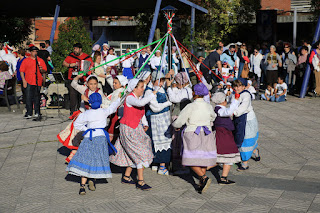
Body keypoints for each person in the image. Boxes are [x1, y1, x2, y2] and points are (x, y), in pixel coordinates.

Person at [66, 92, 121, 195]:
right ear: (100, 102)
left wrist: (86, 129)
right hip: (100, 138)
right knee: (96, 159)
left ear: (90, 103)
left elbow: (76, 124)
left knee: (86, 160)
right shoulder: (103, 111)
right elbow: (113, 108)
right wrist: (118, 99)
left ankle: (82, 186)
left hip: (89, 138)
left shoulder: (86, 113)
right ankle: (93, 179)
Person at [109, 79, 158, 190]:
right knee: (139, 153)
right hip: (128, 129)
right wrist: (152, 94)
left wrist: (145, 124)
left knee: (131, 153)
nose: (143, 89)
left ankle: (126, 176)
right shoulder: (130, 98)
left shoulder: (138, 98)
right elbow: (141, 104)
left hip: (136, 128)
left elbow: (142, 112)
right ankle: (140, 181)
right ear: (134, 88)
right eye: (141, 87)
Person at [172, 83, 217, 194]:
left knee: (190, 158)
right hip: (206, 133)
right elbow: (213, 116)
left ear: (195, 93)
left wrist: (175, 125)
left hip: (193, 133)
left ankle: (203, 177)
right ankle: (202, 181)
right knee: (203, 158)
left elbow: (180, 121)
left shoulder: (190, 106)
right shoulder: (208, 105)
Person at [145, 71, 172, 175]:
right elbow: (155, 107)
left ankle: (157, 164)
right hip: (156, 118)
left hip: (164, 118)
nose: (161, 83)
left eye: (162, 81)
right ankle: (161, 166)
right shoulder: (149, 91)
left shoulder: (160, 88)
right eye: (159, 80)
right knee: (159, 141)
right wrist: (168, 103)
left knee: (164, 140)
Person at [211, 92, 241, 184]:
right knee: (225, 155)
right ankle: (201, 171)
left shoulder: (218, 109)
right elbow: (228, 111)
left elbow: (229, 110)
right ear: (223, 101)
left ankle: (224, 177)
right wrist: (236, 100)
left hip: (226, 134)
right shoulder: (219, 110)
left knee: (228, 155)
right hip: (223, 135)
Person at [232, 79, 260, 171]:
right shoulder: (233, 94)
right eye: (235, 86)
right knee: (241, 137)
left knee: (246, 139)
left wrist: (233, 112)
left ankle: (245, 163)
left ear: (244, 86)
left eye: (239, 86)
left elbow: (243, 107)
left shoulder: (246, 94)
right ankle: (255, 151)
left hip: (248, 119)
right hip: (238, 119)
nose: (237, 88)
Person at [63, 43, 93, 115]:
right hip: (72, 78)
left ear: (80, 49)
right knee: (72, 95)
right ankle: (72, 111)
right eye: (74, 49)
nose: (74, 50)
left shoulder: (86, 57)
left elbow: (91, 66)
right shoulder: (71, 56)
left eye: (76, 49)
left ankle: (81, 110)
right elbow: (64, 63)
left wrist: (89, 71)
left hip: (83, 79)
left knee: (82, 95)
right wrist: (70, 65)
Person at [20, 46, 47, 119]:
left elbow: (45, 70)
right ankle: (29, 112)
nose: (35, 52)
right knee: (28, 97)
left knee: (37, 97)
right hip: (28, 81)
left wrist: (42, 70)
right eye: (33, 51)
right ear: (31, 52)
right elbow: (22, 71)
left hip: (37, 81)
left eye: (36, 51)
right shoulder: (26, 60)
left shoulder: (40, 60)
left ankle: (37, 112)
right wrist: (24, 81)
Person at [106, 75, 128, 142]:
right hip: (114, 113)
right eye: (113, 82)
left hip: (115, 114)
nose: (113, 84)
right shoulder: (117, 90)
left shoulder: (120, 92)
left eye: (115, 83)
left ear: (121, 84)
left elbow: (114, 104)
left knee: (112, 130)